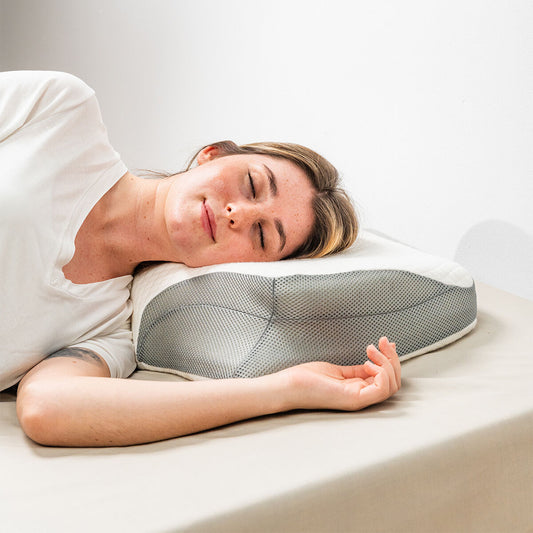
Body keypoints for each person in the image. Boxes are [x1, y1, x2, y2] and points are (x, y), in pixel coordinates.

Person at [0, 70, 401, 447]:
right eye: (252, 184)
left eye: (262, 235)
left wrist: (287, 389)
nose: (238, 214)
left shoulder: (108, 329)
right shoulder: (62, 111)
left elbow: (45, 408)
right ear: (212, 154)